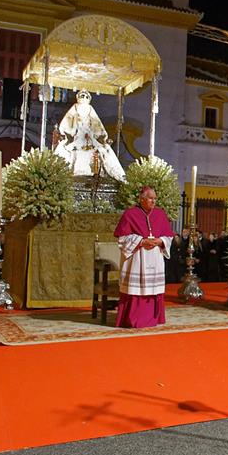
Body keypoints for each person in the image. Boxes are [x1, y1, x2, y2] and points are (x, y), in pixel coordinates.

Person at [113, 186, 174, 328]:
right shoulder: (130, 214)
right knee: (136, 289)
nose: (154, 201)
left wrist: (160, 241)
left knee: (153, 289)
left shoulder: (160, 214)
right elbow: (122, 239)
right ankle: (134, 319)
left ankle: (153, 318)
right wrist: (141, 241)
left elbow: (168, 237)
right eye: (151, 198)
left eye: (155, 198)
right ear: (142, 199)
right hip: (137, 258)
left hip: (155, 257)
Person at [52, 89, 126, 181]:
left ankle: (118, 176)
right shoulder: (74, 109)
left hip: (90, 137)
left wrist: (100, 136)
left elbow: (97, 125)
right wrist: (69, 133)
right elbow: (67, 123)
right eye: (82, 96)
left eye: (85, 96)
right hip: (76, 136)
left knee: (105, 150)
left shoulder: (90, 109)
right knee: (64, 150)